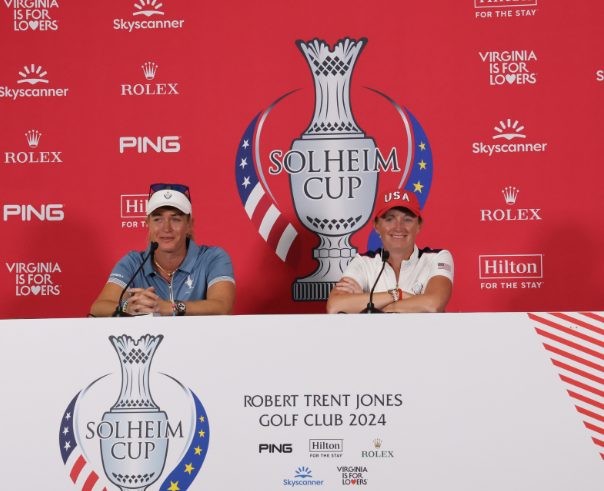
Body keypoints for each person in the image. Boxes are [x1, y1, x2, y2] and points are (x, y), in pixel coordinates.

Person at [90, 183, 235, 316]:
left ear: (189, 224)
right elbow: (98, 308)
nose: (166, 228)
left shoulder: (213, 258)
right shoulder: (132, 263)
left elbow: (223, 306)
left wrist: (171, 307)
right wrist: (129, 306)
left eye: (175, 219)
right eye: (158, 219)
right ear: (148, 223)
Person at [326, 189, 453, 314]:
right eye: (389, 219)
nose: (398, 228)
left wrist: (367, 305)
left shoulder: (437, 258)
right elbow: (335, 306)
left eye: (407, 219)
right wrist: (398, 294)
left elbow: (433, 305)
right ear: (376, 225)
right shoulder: (363, 262)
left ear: (419, 225)